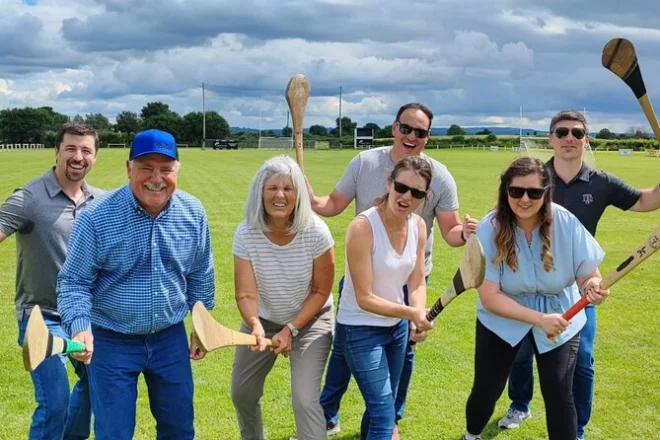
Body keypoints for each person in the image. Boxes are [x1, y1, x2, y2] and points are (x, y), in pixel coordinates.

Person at [307, 102, 478, 438]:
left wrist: (466, 235)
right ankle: (330, 416)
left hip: (406, 283)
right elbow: (332, 204)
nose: (412, 135)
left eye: (420, 132)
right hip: (364, 285)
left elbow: (449, 234)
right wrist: (309, 197)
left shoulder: (434, 187)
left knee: (390, 384)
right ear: (394, 127)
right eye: (406, 128)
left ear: (428, 137)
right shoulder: (365, 165)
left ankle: (387, 420)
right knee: (343, 354)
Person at [499, 111, 660, 440]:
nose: (569, 138)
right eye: (562, 132)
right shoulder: (533, 178)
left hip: (581, 284)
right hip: (529, 284)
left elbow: (647, 201)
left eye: (576, 132)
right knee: (521, 351)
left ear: (586, 140)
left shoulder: (601, 182)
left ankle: (578, 429)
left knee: (582, 359)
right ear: (551, 139)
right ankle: (520, 404)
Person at [56, 129, 216, 440]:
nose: (156, 178)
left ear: (177, 171)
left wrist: (202, 324)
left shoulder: (193, 213)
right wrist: (79, 326)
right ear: (129, 169)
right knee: (114, 432)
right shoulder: (96, 218)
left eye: (166, 169)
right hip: (111, 340)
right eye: (146, 168)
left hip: (169, 338)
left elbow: (200, 274)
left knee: (179, 429)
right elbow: (74, 282)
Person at [462, 157, 609, 440]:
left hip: (561, 314)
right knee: (487, 389)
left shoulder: (566, 222)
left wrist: (593, 286)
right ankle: (471, 436)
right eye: (516, 191)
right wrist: (540, 319)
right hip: (502, 317)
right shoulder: (489, 227)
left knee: (559, 393)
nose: (525, 199)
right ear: (506, 191)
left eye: (534, 192)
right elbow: (490, 297)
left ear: (546, 192)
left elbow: (589, 275)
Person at [0, 122, 101, 440]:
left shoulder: (101, 202)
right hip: (41, 317)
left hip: (85, 318)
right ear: (56, 151)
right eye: (70, 148)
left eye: (86, 150)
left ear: (95, 157)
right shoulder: (29, 198)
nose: (78, 157)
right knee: (55, 402)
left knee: (98, 388)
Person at [230, 155, 336, 440]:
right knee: (242, 392)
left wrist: (291, 329)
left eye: (288, 188)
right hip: (263, 320)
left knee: (304, 398)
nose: (280, 195)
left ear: (298, 194)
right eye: (272, 188)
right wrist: (255, 325)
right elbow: (245, 293)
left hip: (312, 320)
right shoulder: (246, 232)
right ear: (260, 192)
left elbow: (321, 291)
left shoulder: (316, 231)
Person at [338, 155, 434, 439]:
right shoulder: (363, 227)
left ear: (424, 197)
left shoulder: (418, 226)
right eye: (401, 187)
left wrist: (417, 315)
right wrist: (411, 313)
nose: (407, 197)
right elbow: (364, 297)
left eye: (417, 193)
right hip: (360, 329)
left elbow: (416, 280)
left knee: (381, 408)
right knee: (383, 415)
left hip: (397, 330)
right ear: (389, 183)